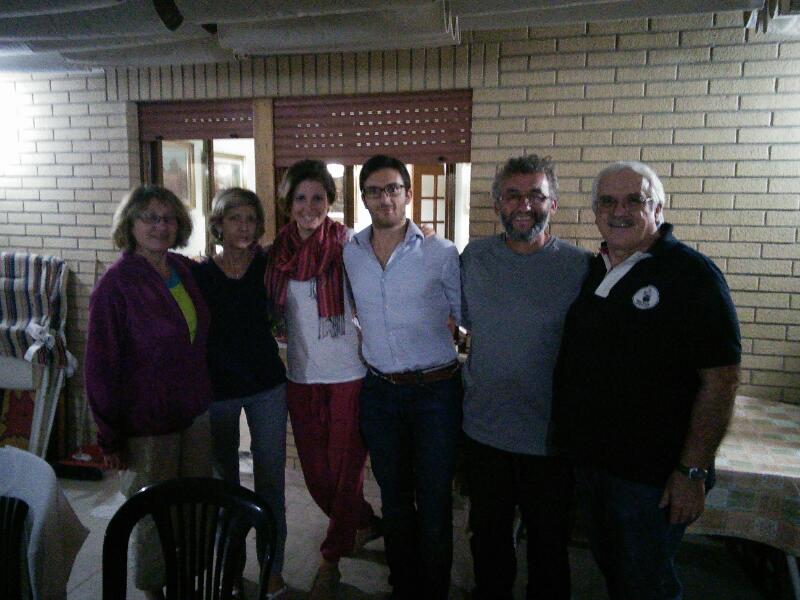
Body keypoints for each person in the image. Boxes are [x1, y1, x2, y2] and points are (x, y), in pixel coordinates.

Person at [553, 161, 741, 600]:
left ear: (658, 208)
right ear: (595, 212)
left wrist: (692, 471)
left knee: (645, 583)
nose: (619, 211)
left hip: (651, 478)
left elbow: (721, 381)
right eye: (607, 202)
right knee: (616, 572)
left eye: (634, 200)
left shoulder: (692, 275)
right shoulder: (595, 270)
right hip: (594, 465)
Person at [460, 154, 591, 600]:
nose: (523, 205)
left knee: (549, 546)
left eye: (536, 195)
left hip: (550, 439)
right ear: (497, 203)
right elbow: (459, 319)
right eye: (512, 195)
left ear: (553, 203)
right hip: (485, 430)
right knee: (488, 539)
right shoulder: (474, 257)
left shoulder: (581, 267)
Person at [85, 185, 213, 600]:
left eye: (168, 218)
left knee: (193, 506)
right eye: (150, 217)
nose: (160, 226)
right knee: (153, 515)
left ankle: (188, 580)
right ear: (131, 224)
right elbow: (100, 368)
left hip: (193, 413)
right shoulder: (115, 285)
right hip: (148, 424)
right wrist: (109, 437)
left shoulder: (180, 269)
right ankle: (155, 590)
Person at [343, 154, 462, 600]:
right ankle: (403, 585)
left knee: (433, 498)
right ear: (364, 199)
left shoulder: (440, 252)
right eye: (374, 191)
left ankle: (434, 590)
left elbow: (465, 314)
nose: (385, 198)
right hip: (380, 392)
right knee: (393, 496)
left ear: (408, 194)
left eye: (393, 188)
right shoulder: (350, 252)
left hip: (436, 392)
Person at [264, 160, 379, 600]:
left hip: (349, 375)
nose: (309, 206)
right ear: (288, 203)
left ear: (330, 201)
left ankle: (330, 560)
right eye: (300, 198)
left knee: (345, 475)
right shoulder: (277, 254)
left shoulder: (350, 245)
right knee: (317, 478)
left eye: (318, 197)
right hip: (301, 376)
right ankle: (364, 522)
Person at [192, 187, 288, 599]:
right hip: (218, 391)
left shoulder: (269, 267)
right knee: (223, 485)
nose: (244, 227)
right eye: (235, 218)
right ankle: (229, 570)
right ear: (219, 224)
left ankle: (272, 568)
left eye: (251, 219)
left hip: (267, 386)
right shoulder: (201, 274)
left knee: (270, 483)